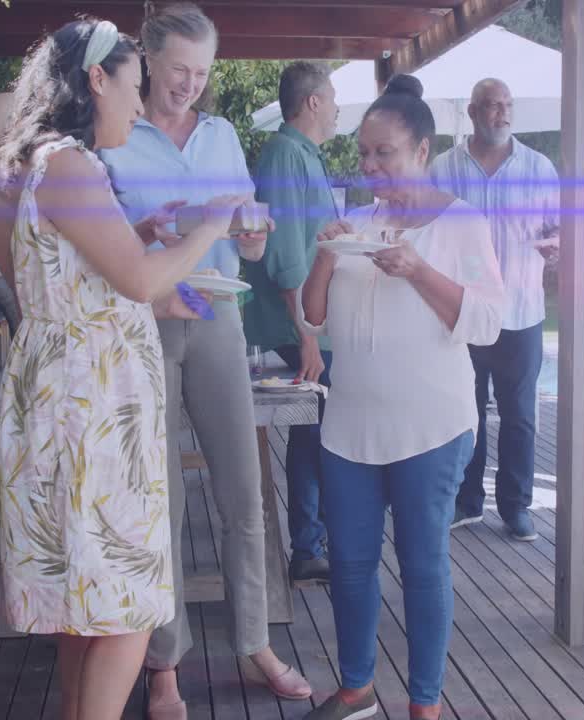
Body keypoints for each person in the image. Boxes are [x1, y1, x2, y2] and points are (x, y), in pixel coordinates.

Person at [0, 19, 244, 720]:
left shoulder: (32, 165)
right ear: (96, 80)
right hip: (92, 420)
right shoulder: (71, 165)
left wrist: (144, 240)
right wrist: (209, 229)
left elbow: (56, 283)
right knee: (128, 616)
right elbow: (134, 281)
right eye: (133, 89)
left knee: (85, 615)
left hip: (63, 403)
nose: (139, 108)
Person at [95, 4, 312, 717]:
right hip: (146, 326)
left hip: (219, 319)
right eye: (180, 68)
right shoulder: (118, 134)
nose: (190, 84)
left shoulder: (221, 135)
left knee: (243, 491)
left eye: (202, 72)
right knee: (161, 499)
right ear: (150, 59)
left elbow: (244, 231)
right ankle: (164, 664)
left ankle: (255, 641)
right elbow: (103, 240)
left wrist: (252, 235)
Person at [300, 74, 504, 720]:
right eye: (363, 153)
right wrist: (326, 257)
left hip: (432, 427)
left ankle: (425, 704)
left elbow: (487, 322)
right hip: (351, 427)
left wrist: (417, 271)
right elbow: (312, 319)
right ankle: (357, 688)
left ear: (421, 152)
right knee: (351, 563)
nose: (369, 165)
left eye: (383, 152)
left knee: (422, 565)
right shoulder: (354, 224)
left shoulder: (463, 224)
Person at [429, 78, 560, 542]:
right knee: (468, 411)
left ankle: (516, 506)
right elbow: (427, 231)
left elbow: (559, 230)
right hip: (463, 311)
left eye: (507, 105)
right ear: (472, 112)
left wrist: (557, 246)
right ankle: (468, 502)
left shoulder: (540, 168)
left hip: (521, 311)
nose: (501, 113)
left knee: (520, 415)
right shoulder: (443, 169)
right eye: (491, 106)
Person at [244, 60, 340, 586]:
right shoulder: (284, 155)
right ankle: (308, 547)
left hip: (312, 321)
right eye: (333, 96)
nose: (338, 107)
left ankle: (316, 539)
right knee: (314, 432)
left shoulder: (306, 155)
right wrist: (308, 337)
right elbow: (282, 259)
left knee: (319, 430)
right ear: (313, 103)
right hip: (297, 326)